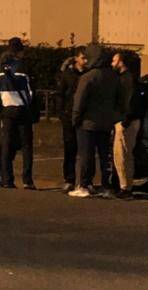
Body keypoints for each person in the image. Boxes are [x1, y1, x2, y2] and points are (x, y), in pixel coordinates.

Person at [69, 44, 122, 198]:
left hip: (88, 122)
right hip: (106, 122)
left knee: (86, 155)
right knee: (105, 156)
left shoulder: (88, 77)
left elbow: (79, 101)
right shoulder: (113, 77)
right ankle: (107, 186)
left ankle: (85, 184)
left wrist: (75, 119)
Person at [0, 54, 36, 189]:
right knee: (27, 147)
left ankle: (7, 179)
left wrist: (2, 109)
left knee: (6, 146)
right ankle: (27, 180)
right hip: (23, 112)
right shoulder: (24, 76)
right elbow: (31, 94)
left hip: (7, 113)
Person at [112, 51, 144, 200]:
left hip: (126, 121)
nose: (112, 63)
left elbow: (129, 101)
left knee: (122, 155)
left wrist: (124, 121)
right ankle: (125, 185)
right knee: (124, 154)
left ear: (121, 62)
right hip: (128, 120)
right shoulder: (128, 78)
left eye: (114, 61)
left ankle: (125, 187)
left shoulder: (127, 79)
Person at [55, 48, 87, 192]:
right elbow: (60, 94)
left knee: (85, 149)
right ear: (76, 58)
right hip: (69, 116)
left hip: (83, 116)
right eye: (83, 58)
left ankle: (84, 180)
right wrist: (62, 113)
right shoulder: (68, 75)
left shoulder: (88, 74)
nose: (85, 61)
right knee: (70, 148)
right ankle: (69, 179)